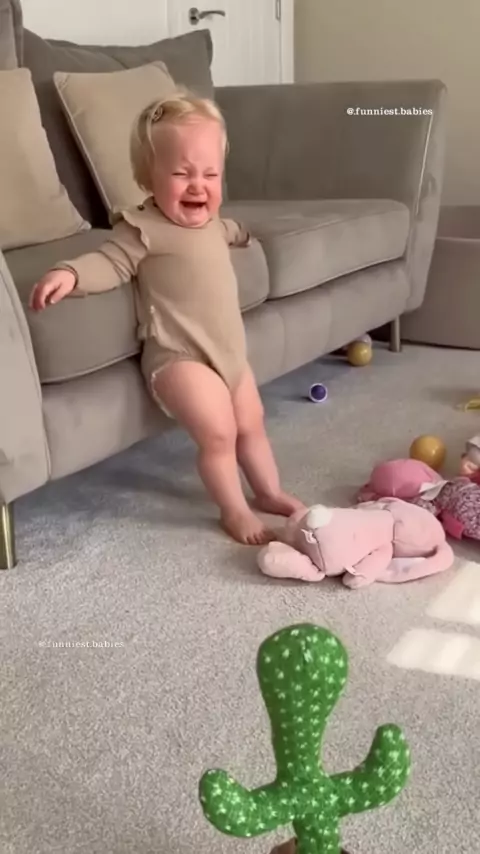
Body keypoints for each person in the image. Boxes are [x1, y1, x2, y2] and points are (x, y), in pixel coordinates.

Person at [29, 90, 304, 545]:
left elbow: (230, 230)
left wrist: (244, 233)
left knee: (251, 423)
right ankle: (233, 510)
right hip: (179, 358)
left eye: (210, 174)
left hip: (230, 356)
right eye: (181, 173)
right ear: (148, 177)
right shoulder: (144, 229)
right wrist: (70, 273)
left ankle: (268, 491)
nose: (198, 186)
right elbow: (110, 262)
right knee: (219, 433)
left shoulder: (214, 225)